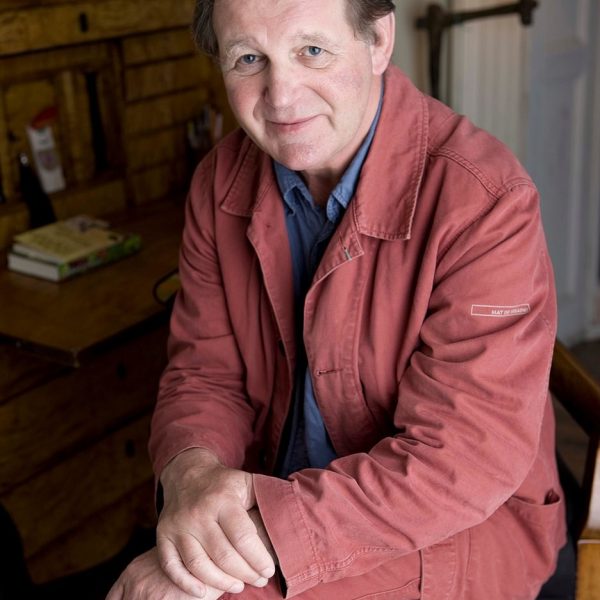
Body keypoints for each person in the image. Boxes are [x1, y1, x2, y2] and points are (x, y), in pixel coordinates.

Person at [107, 0, 566, 598]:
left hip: (452, 526)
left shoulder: (485, 201)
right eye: (249, 59)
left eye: (312, 51)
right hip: (287, 498)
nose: (280, 95)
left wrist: (248, 549)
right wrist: (193, 473)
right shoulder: (218, 182)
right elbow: (204, 373)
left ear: (377, 39)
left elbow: (458, 463)